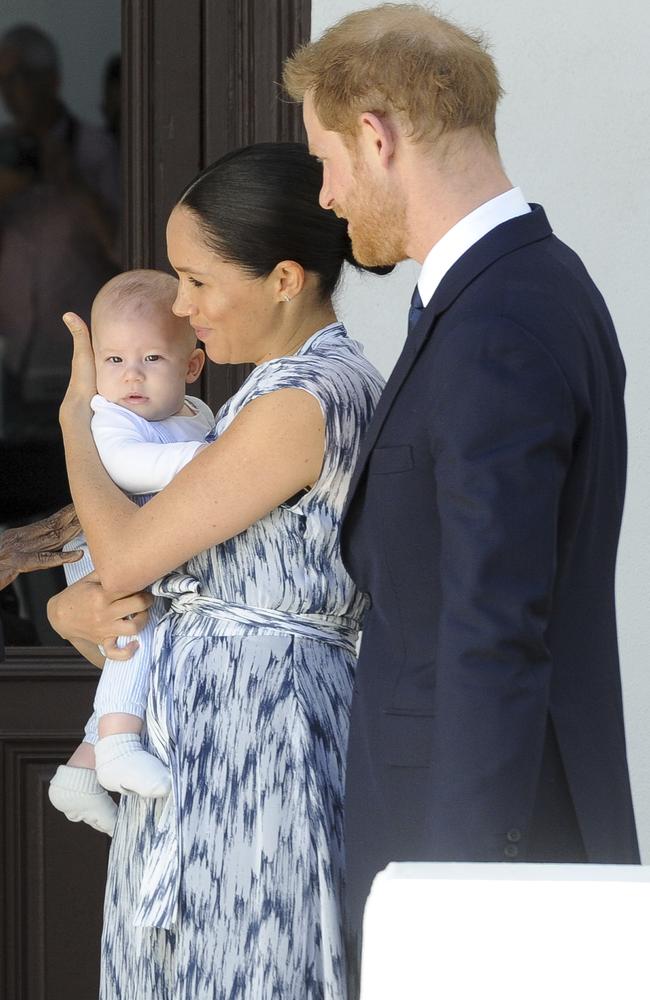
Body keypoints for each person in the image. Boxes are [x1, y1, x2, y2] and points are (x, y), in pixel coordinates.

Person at [283, 0, 640, 960]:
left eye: (324, 160)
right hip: (482, 856)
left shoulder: (499, 323)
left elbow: (494, 629)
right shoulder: (516, 289)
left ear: (376, 134)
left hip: (481, 875)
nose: (323, 195)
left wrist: (454, 908)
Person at [49, 142, 387, 1000]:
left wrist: (76, 422)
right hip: (204, 744)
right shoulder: (257, 398)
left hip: (261, 746)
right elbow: (147, 588)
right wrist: (68, 613)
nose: (181, 306)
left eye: (197, 281)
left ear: (283, 277)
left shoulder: (302, 400)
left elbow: (128, 556)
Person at [48, 269, 212, 838]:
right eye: (113, 361)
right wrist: (215, 467)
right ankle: (117, 740)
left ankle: (83, 765)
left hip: (146, 544)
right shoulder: (110, 418)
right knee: (136, 630)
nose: (131, 375)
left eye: (152, 359)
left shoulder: (195, 417)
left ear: (191, 367)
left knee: (152, 626)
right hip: (102, 548)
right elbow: (124, 467)